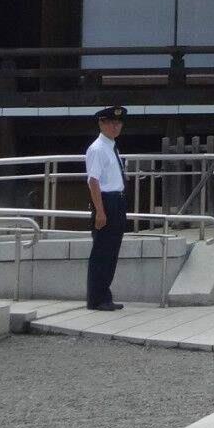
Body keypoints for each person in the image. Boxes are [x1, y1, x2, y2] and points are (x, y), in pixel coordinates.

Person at [85, 104, 129, 311]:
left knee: (111, 251)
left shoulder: (112, 147)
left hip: (117, 200)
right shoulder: (97, 148)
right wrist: (100, 211)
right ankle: (96, 298)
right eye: (111, 123)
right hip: (106, 201)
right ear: (101, 123)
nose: (115, 127)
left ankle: (105, 295)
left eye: (118, 123)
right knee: (102, 252)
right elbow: (93, 181)